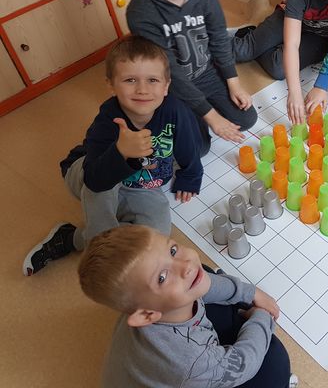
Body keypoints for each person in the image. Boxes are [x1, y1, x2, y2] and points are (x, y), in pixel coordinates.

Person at [22, 36, 203, 276]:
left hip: (140, 185)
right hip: (90, 174)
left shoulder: (176, 111)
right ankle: (98, 247)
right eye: (130, 80)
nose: (142, 89)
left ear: (166, 85)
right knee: (102, 223)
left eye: (152, 80)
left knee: (157, 235)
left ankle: (71, 237)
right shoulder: (108, 119)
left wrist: (190, 176)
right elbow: (94, 180)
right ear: (111, 85)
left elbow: (189, 145)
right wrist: (121, 152)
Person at [78, 225, 297, 387]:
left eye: (172, 250)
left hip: (165, 359)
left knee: (202, 275)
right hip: (184, 374)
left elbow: (205, 281)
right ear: (146, 315)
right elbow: (242, 365)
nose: (185, 266)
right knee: (274, 365)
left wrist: (251, 292)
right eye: (162, 277)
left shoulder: (151, 303)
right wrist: (260, 317)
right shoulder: (190, 361)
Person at [127, 0, 257, 144]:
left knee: (246, 118)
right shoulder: (140, 12)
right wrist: (212, 117)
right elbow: (168, 70)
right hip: (170, 85)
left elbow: (219, 37)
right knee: (198, 148)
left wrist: (233, 83)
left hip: (206, 73)